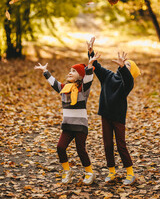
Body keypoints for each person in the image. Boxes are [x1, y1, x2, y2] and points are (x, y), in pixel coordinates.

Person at [34, 53, 100, 185]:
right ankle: (67, 171)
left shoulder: (83, 90)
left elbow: (88, 79)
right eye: (70, 70)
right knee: (60, 147)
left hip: (80, 126)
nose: (70, 72)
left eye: (74, 71)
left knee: (80, 149)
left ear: (80, 76)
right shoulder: (64, 89)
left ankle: (89, 172)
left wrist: (90, 66)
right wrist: (45, 71)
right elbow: (54, 83)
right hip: (68, 126)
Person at [87, 37, 141, 185]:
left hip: (117, 117)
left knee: (120, 144)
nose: (125, 65)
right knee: (107, 144)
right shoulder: (108, 76)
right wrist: (90, 52)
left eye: (129, 65)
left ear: (131, 73)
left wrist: (124, 68)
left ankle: (130, 173)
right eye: (125, 63)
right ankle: (112, 172)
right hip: (105, 115)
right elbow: (96, 66)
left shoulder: (126, 84)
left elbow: (129, 80)